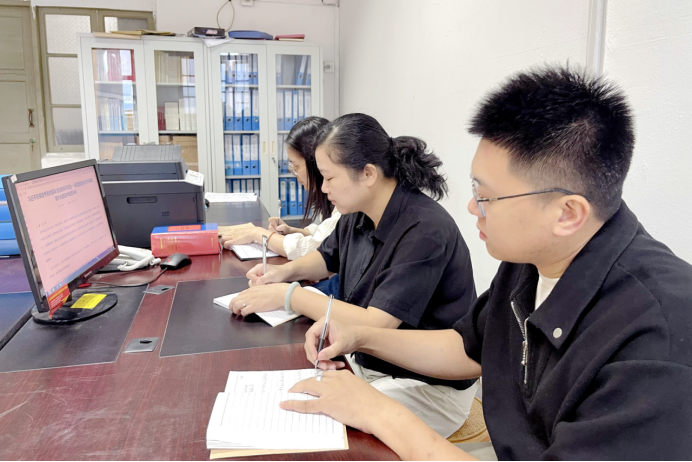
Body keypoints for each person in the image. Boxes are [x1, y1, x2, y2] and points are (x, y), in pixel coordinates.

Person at [279, 66, 692, 460]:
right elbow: (465, 347)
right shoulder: (531, 259)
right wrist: (359, 337)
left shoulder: (658, 339)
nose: (472, 207)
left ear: (567, 213)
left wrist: (379, 411)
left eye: (487, 196)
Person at [230, 113, 479, 438]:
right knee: (296, 403)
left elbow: (376, 323)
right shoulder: (357, 211)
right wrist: (282, 272)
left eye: (329, 178)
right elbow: (326, 258)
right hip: (370, 362)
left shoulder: (424, 229)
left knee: (323, 430)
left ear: (368, 173)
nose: (323, 188)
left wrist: (289, 295)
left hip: (427, 386)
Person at [220, 117, 342, 262]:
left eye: (296, 166)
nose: (294, 174)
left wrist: (257, 234)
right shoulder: (329, 195)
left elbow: (312, 249)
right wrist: (292, 231)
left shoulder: (344, 201)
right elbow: (324, 231)